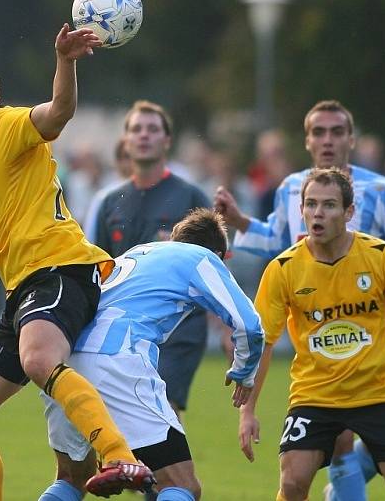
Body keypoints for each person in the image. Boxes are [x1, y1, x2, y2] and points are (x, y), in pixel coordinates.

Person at [0, 25, 153, 500]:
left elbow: (58, 114)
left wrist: (65, 61)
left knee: (38, 360)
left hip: (59, 270)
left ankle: (120, 456)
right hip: (26, 290)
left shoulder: (6, 125)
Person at [214, 99, 385, 500]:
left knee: (353, 437)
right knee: (338, 439)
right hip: (318, 327)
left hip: (373, 326)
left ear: (352, 138)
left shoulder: (380, 190)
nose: (327, 140)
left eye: (336, 132)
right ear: (307, 139)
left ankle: (350, 483)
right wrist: (241, 222)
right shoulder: (291, 188)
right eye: (319, 132)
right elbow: (280, 242)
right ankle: (347, 486)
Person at [238, 167, 385, 501]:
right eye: (310, 204)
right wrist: (248, 411)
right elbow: (262, 341)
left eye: (329, 205)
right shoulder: (283, 269)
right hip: (315, 396)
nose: (317, 213)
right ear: (301, 209)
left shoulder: (381, 257)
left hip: (379, 393)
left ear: (349, 212)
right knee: (292, 483)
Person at [38, 208, 265, 501]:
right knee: (182, 485)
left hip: (63, 361)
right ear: (220, 254)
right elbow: (250, 325)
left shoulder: (138, 253)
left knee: (72, 478)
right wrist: (245, 372)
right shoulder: (201, 258)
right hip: (114, 360)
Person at [93, 100, 212, 422]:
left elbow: (215, 268)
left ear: (167, 140)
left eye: (152, 129)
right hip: (123, 329)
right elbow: (99, 270)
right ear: (126, 141)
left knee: (161, 415)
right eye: (136, 129)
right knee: (119, 421)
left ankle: (172, 474)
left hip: (178, 328)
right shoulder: (109, 202)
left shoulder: (192, 198)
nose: (144, 135)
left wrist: (230, 328)